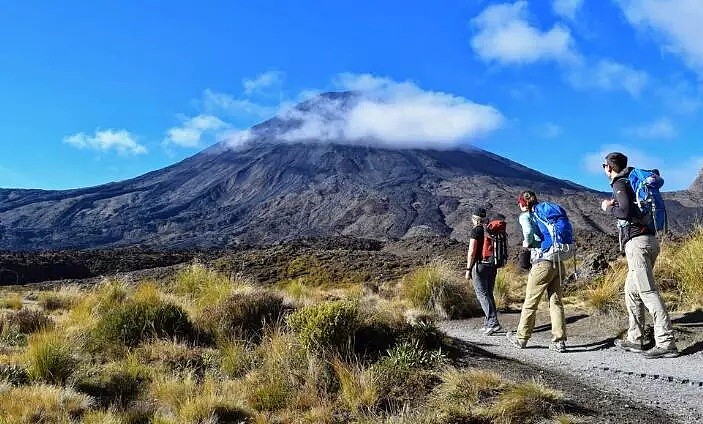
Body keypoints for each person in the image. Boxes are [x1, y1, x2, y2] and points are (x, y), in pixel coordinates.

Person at [600, 152, 678, 359]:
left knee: (647, 291)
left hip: (637, 244)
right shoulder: (633, 182)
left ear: (609, 167)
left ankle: (666, 341)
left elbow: (625, 212)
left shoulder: (619, 183)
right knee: (631, 292)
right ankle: (637, 338)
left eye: (604, 166)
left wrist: (609, 207)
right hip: (650, 241)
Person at [506, 191, 567, 352]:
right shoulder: (543, 213)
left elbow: (528, 233)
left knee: (530, 302)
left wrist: (528, 243)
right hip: (558, 262)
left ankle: (521, 338)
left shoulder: (528, 216)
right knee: (556, 302)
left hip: (543, 262)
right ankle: (559, 341)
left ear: (523, 203)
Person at [465, 207, 501, 335]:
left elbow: (472, 252)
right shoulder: (490, 230)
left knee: (482, 294)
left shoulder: (477, 231)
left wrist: (468, 269)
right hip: (492, 265)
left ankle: (493, 323)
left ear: (474, 219)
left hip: (479, 265)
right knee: (489, 294)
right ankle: (488, 323)